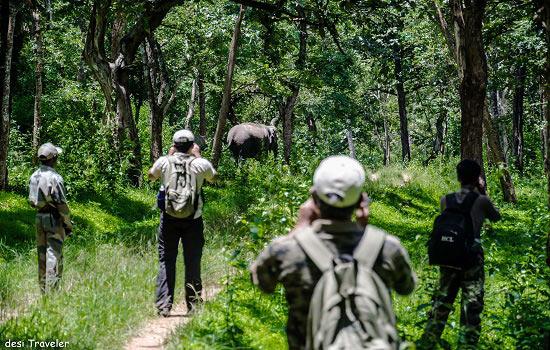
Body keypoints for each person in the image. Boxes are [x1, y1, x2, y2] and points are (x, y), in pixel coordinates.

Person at [250, 155, 417, 349]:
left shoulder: (287, 251)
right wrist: (365, 236)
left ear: (313, 198)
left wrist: (298, 230)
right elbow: (407, 287)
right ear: (360, 201)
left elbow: (262, 282)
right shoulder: (387, 247)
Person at [419, 159, 501, 349]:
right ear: (477, 178)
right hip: (472, 260)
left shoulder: (445, 199)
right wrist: (482, 191)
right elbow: (496, 217)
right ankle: (466, 345)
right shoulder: (481, 201)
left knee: (441, 304)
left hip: (448, 258)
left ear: (458, 177)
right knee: (471, 308)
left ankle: (427, 343)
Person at [148, 129, 216, 316]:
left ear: (174, 144)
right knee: (192, 261)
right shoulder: (200, 164)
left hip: (168, 219)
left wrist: (168, 157)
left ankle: (164, 305)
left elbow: (150, 176)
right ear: (192, 145)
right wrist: (198, 155)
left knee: (166, 260)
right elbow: (214, 178)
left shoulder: (164, 161)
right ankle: (193, 305)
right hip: (193, 219)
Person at [28, 142, 73, 293]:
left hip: (39, 217)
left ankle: (42, 291)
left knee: (41, 255)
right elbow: (62, 205)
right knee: (53, 255)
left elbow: (32, 201)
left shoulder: (34, 176)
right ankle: (52, 293)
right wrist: (68, 224)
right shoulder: (55, 178)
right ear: (53, 159)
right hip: (54, 219)